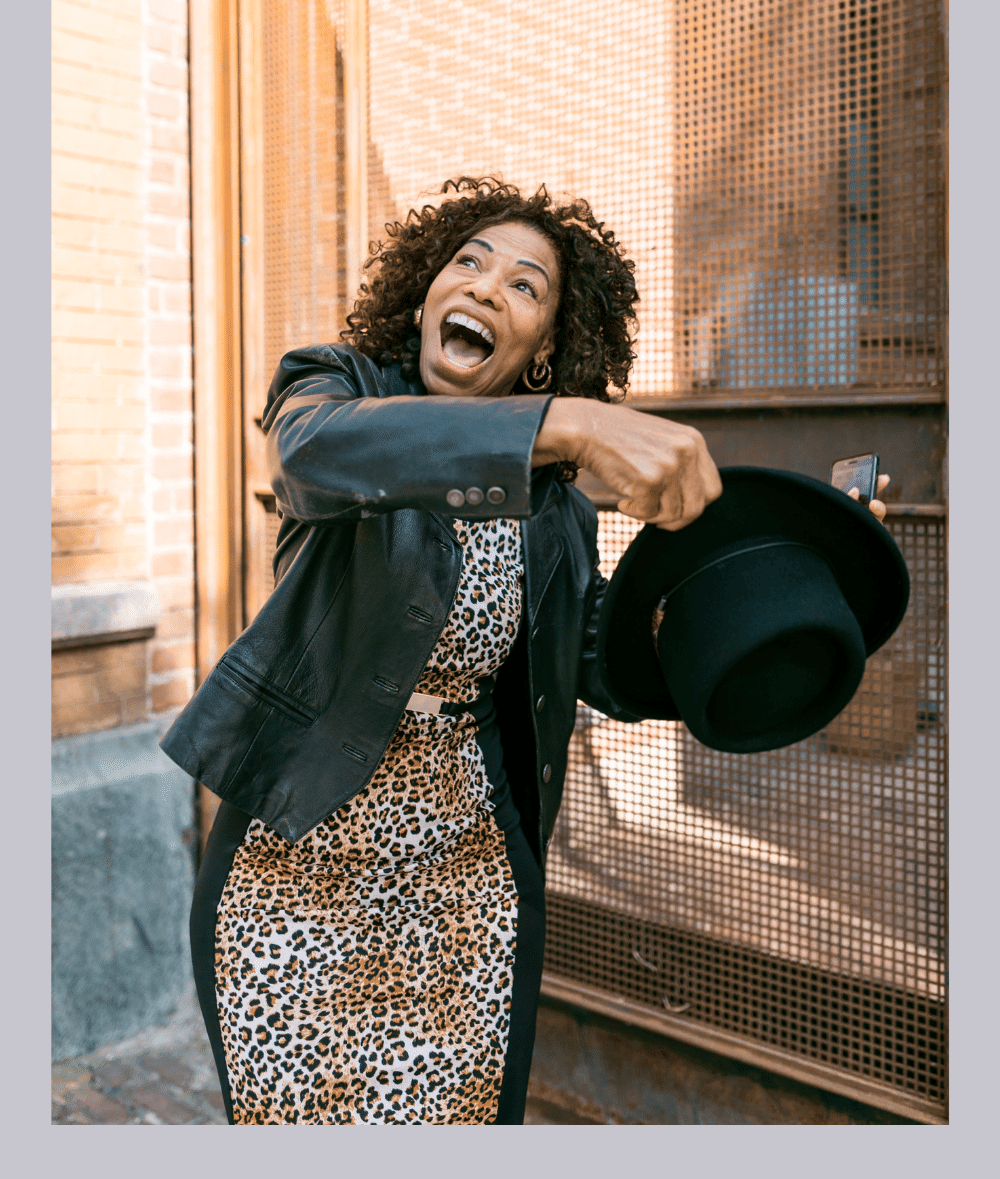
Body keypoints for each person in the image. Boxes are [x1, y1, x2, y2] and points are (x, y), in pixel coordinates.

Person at [169, 176, 888, 1126]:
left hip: (466, 880)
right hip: (299, 864)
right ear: (426, 294)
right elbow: (314, 458)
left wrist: (787, 573)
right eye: (466, 263)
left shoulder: (557, 512)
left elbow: (596, 661)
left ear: (543, 348)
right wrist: (572, 427)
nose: (480, 286)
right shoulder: (335, 389)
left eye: (522, 285)